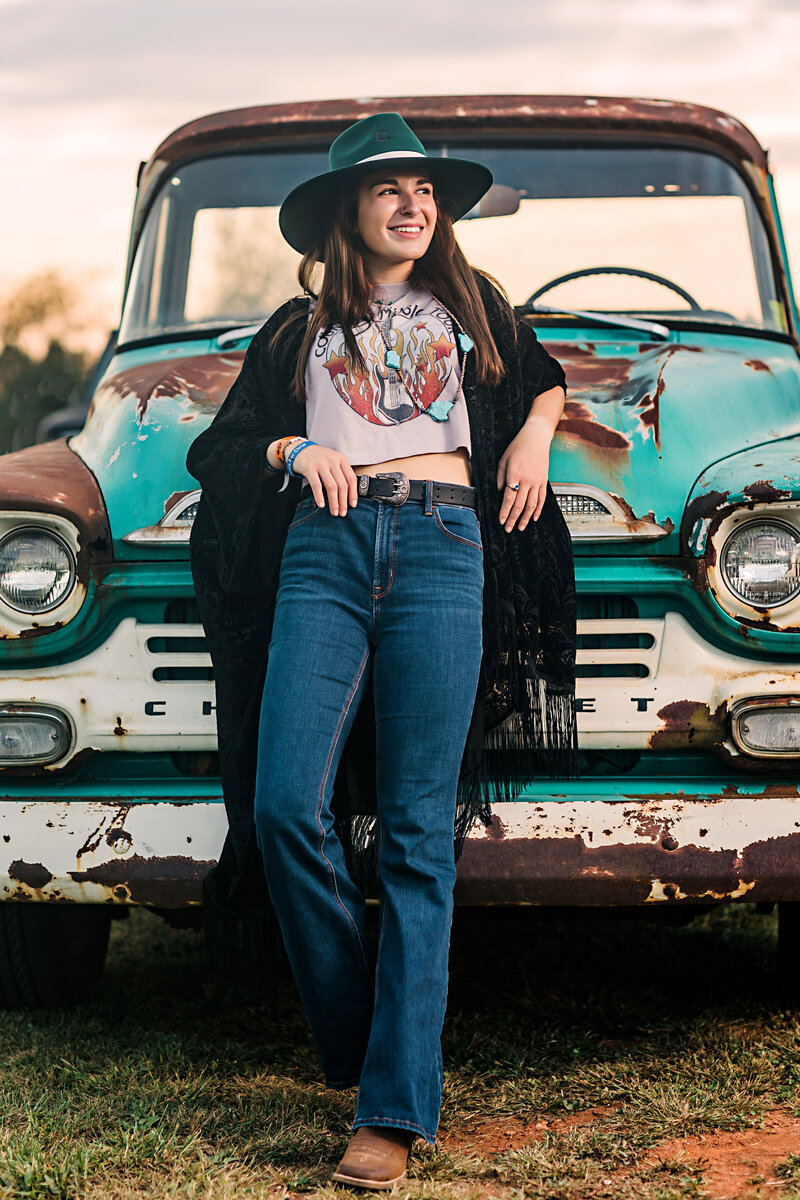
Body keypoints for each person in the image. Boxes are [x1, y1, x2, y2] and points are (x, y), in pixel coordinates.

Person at [187, 112, 578, 1190]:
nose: (413, 204)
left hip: (447, 546)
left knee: (416, 832)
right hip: (324, 550)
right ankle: (373, 1040)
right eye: (387, 190)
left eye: (424, 189)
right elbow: (219, 445)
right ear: (345, 213)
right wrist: (293, 443)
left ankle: (391, 1110)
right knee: (280, 809)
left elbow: (542, 380)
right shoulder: (292, 329)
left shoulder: (476, 305)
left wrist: (535, 433)